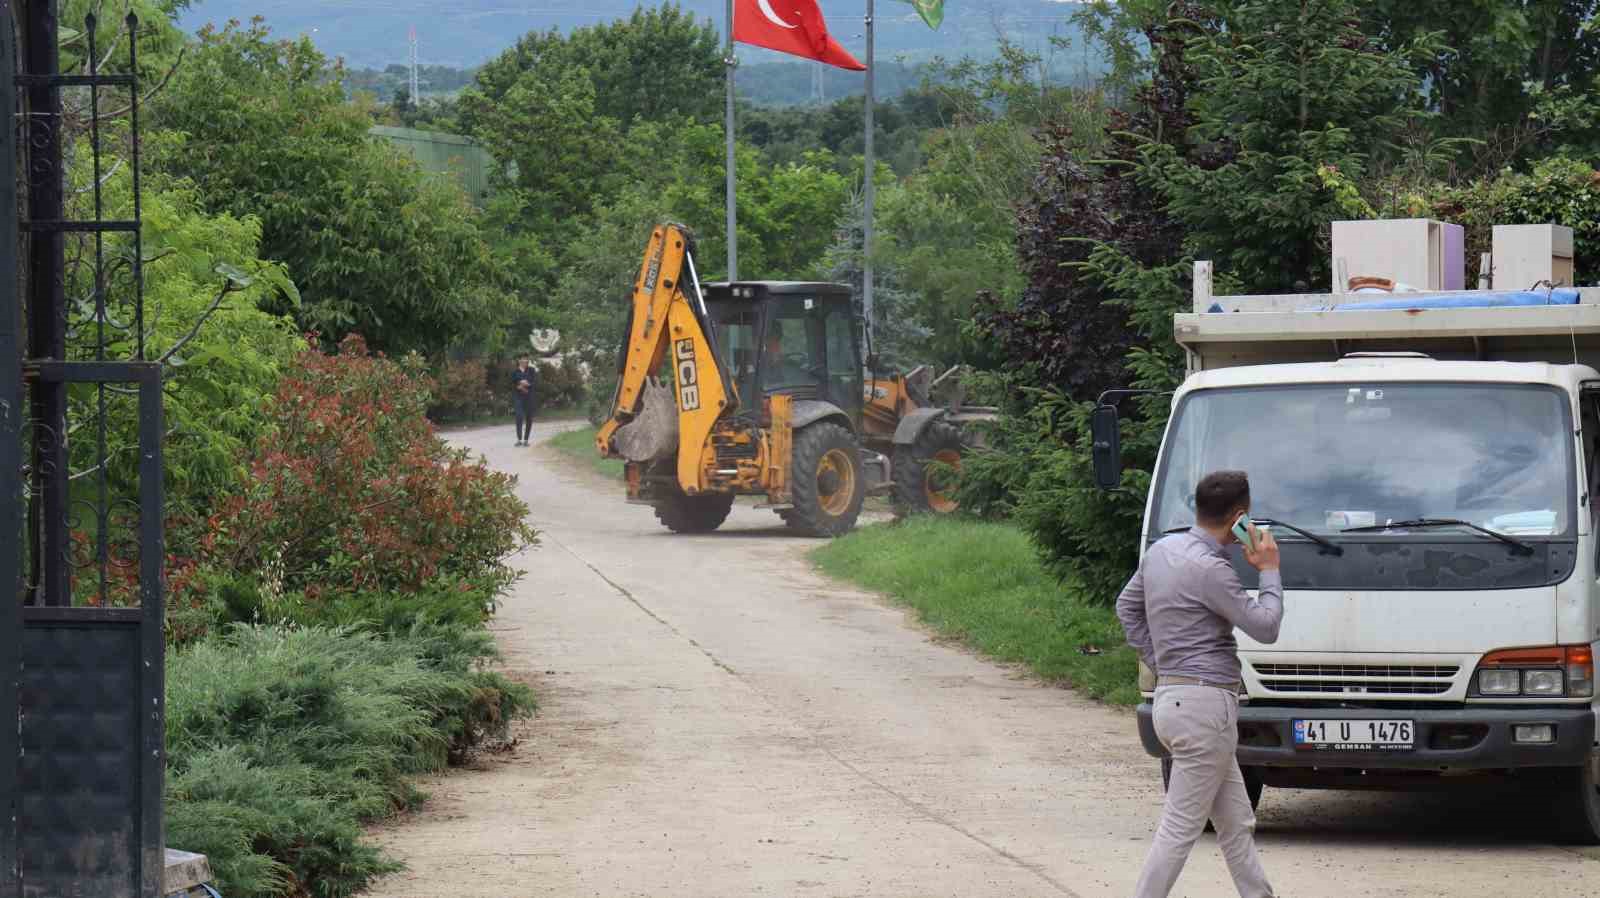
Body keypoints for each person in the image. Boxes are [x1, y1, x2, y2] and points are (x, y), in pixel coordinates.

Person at [1115, 470, 1282, 898]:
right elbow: (1266, 627)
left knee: (1235, 823)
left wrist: (1162, 661)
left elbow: (1127, 608)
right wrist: (1268, 570)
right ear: (1240, 517)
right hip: (1206, 708)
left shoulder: (1161, 551)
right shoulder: (1212, 570)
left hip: (1174, 700)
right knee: (1179, 828)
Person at [512, 357, 536, 446]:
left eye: (526, 360)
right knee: (519, 416)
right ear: (519, 361)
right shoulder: (515, 372)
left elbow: (534, 382)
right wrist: (519, 386)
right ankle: (519, 439)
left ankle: (526, 440)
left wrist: (527, 384)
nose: (525, 362)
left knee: (529, 418)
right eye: (523, 360)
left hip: (529, 397)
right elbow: (513, 384)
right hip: (518, 397)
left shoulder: (531, 370)